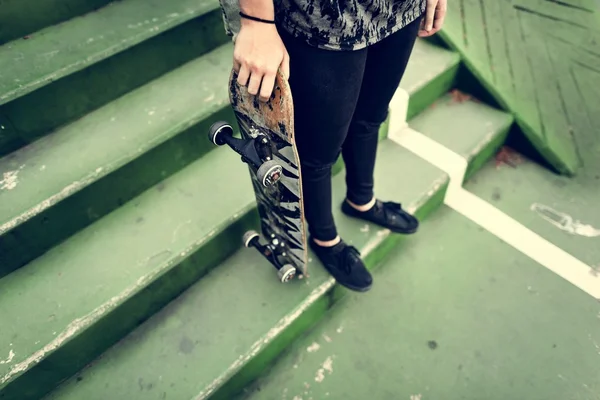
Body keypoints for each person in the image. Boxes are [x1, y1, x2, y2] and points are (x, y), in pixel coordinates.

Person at [218, 0, 447, 292]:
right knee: (319, 149)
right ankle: (324, 237)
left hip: (402, 9)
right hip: (324, 17)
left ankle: (360, 200)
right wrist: (256, 22)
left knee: (371, 116)